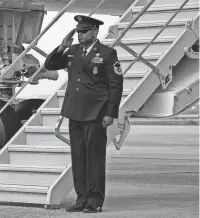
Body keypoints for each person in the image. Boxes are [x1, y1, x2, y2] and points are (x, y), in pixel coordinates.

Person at [44, 15, 124, 213]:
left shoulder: (107, 53)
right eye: (78, 31)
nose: (79, 35)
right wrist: (62, 46)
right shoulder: (72, 51)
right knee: (78, 158)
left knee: (94, 159)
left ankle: (94, 201)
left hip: (96, 113)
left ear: (95, 32)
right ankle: (81, 199)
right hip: (75, 111)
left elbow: (116, 85)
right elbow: (50, 65)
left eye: (84, 31)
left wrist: (110, 113)